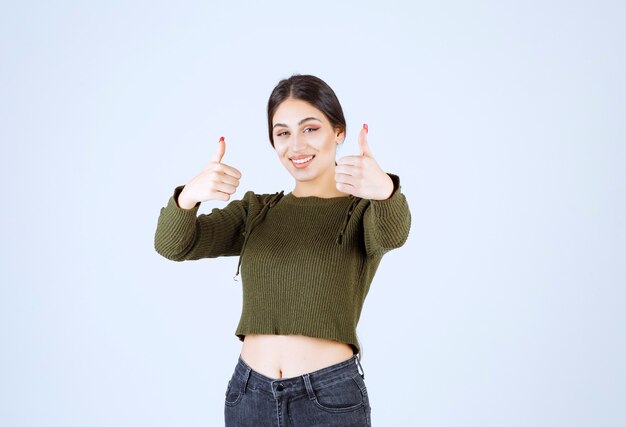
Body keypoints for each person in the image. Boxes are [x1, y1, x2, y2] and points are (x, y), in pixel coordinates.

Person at [154, 74, 411, 426]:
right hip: (249, 394)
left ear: (338, 132)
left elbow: (394, 233)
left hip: (328, 398)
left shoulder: (363, 211)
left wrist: (385, 189)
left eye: (310, 129)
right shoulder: (257, 211)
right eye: (283, 133)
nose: (296, 146)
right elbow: (174, 245)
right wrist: (189, 196)